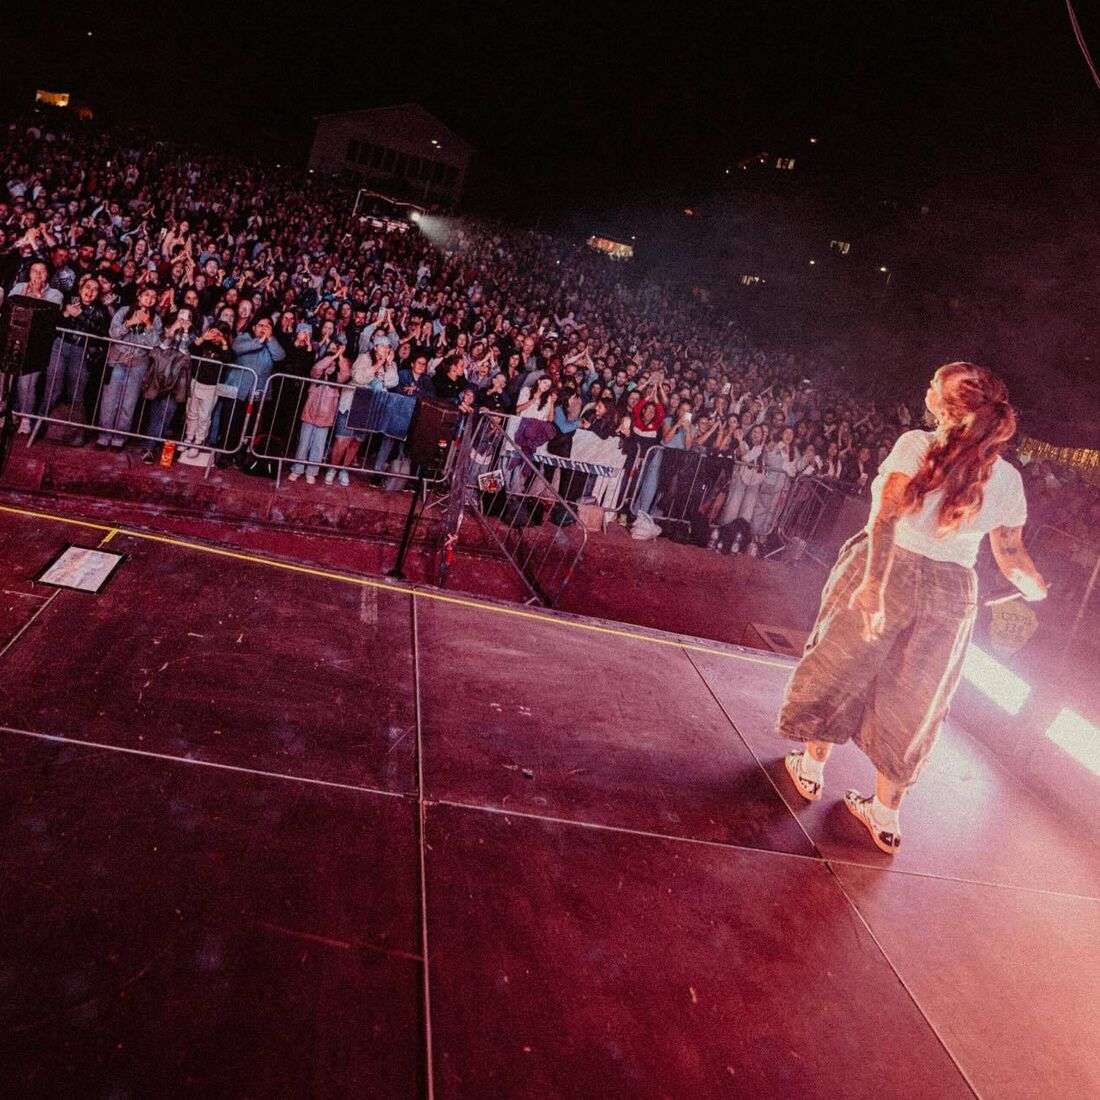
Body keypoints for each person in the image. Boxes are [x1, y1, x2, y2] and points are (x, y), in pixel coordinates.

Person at [777, 363, 1048, 854]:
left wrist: (873, 587)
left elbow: (885, 520)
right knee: (917, 697)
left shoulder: (915, 446)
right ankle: (885, 816)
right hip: (953, 593)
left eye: (933, 385)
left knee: (842, 665)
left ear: (948, 407)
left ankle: (812, 770)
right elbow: (1010, 556)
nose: (925, 389)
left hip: (889, 569)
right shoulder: (1007, 478)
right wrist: (1033, 585)